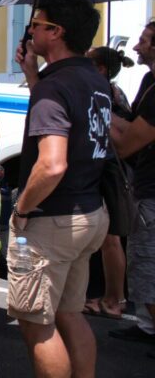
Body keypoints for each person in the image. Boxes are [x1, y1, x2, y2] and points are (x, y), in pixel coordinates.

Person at [12, 0, 110, 378]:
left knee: (36, 321)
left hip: (53, 219)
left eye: (37, 23)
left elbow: (52, 165)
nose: (31, 29)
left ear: (56, 32)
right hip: (89, 212)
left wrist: (21, 208)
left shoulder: (55, 88)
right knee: (69, 313)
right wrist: (34, 76)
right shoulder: (93, 79)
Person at [111, 21, 155, 350]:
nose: (137, 47)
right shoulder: (149, 80)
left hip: (152, 192)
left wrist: (102, 115)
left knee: (146, 269)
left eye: (143, 41)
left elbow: (128, 145)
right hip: (145, 185)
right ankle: (146, 326)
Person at [83, 45, 133, 320]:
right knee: (108, 237)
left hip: (111, 169)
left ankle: (114, 299)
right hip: (114, 169)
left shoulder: (105, 93)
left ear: (101, 68)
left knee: (110, 238)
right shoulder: (114, 91)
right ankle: (110, 296)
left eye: (89, 61)